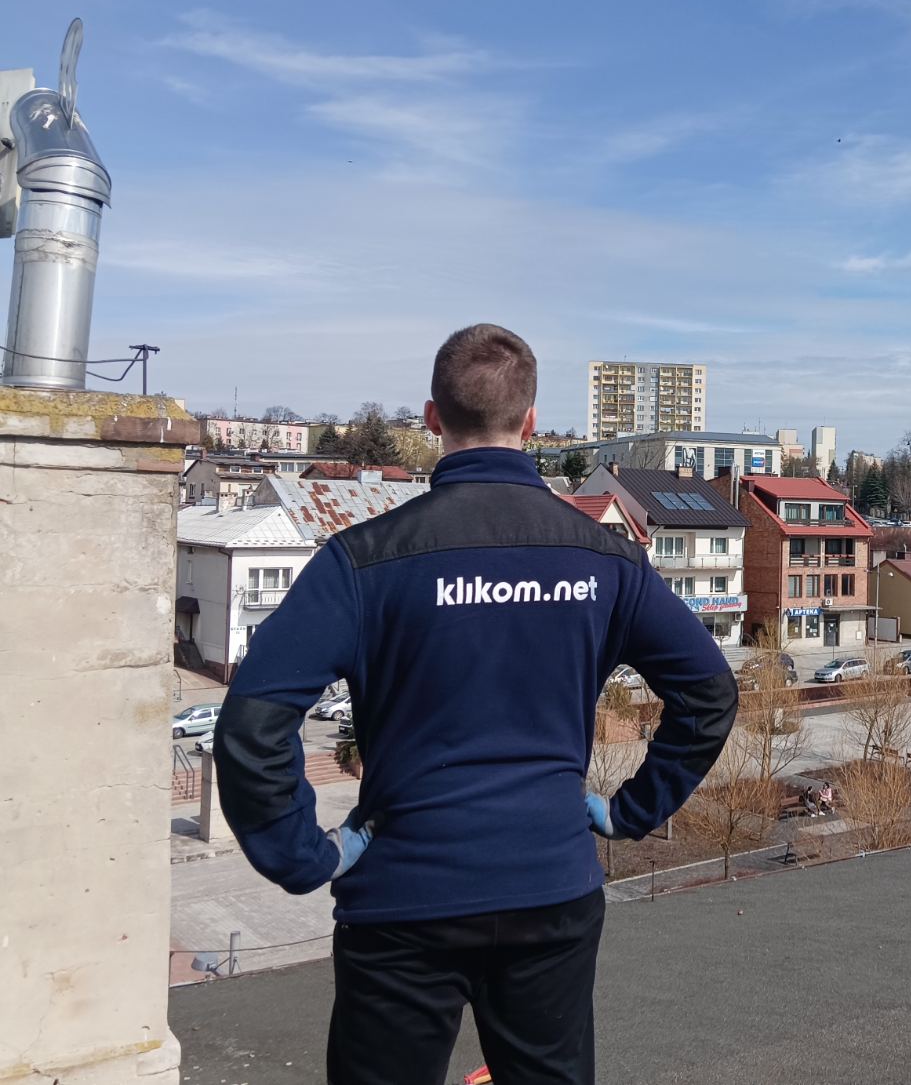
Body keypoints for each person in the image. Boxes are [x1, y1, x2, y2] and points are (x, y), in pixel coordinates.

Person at [214, 324, 738, 1085]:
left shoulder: (363, 560)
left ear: (433, 419)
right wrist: (632, 810)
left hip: (402, 902)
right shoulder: (606, 559)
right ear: (531, 421)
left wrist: (304, 856)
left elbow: (252, 720)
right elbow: (709, 692)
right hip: (550, 893)